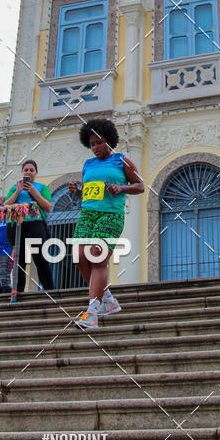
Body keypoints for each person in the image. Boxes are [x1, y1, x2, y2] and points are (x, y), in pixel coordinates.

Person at [69, 118, 144, 329]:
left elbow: (140, 185)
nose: (95, 147)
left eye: (99, 142)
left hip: (110, 215)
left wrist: (121, 188)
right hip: (87, 214)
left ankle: (92, 312)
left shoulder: (122, 161)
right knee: (79, 257)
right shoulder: (88, 164)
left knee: (97, 257)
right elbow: (91, 192)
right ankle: (108, 299)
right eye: (91, 144)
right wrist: (78, 191)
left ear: (109, 140)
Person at [4, 160, 54, 293]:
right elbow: (5, 207)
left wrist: (33, 191)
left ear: (36, 172)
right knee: (19, 260)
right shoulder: (14, 188)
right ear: (22, 172)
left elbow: (48, 207)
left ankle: (50, 291)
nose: (28, 172)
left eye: (31, 170)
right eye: (26, 170)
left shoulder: (42, 187)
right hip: (16, 225)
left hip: (35, 224)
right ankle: (18, 293)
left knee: (40, 258)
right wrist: (17, 191)